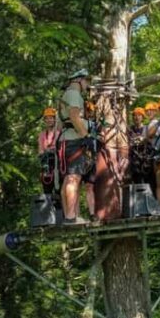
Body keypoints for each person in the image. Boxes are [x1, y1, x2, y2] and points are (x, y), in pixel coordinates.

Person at [58, 69, 92, 225]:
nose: (88, 84)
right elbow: (74, 116)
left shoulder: (65, 95)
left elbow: (63, 121)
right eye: (86, 81)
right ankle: (71, 216)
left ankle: (69, 215)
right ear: (79, 80)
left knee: (68, 179)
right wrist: (86, 135)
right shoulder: (74, 94)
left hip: (65, 140)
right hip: (73, 141)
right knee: (73, 178)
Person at [38, 107, 59, 195]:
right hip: (47, 164)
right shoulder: (42, 135)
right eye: (47, 118)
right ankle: (48, 204)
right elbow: (40, 151)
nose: (49, 120)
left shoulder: (59, 133)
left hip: (58, 164)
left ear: (54, 120)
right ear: (45, 120)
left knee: (59, 188)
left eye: (51, 118)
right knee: (47, 189)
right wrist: (45, 152)